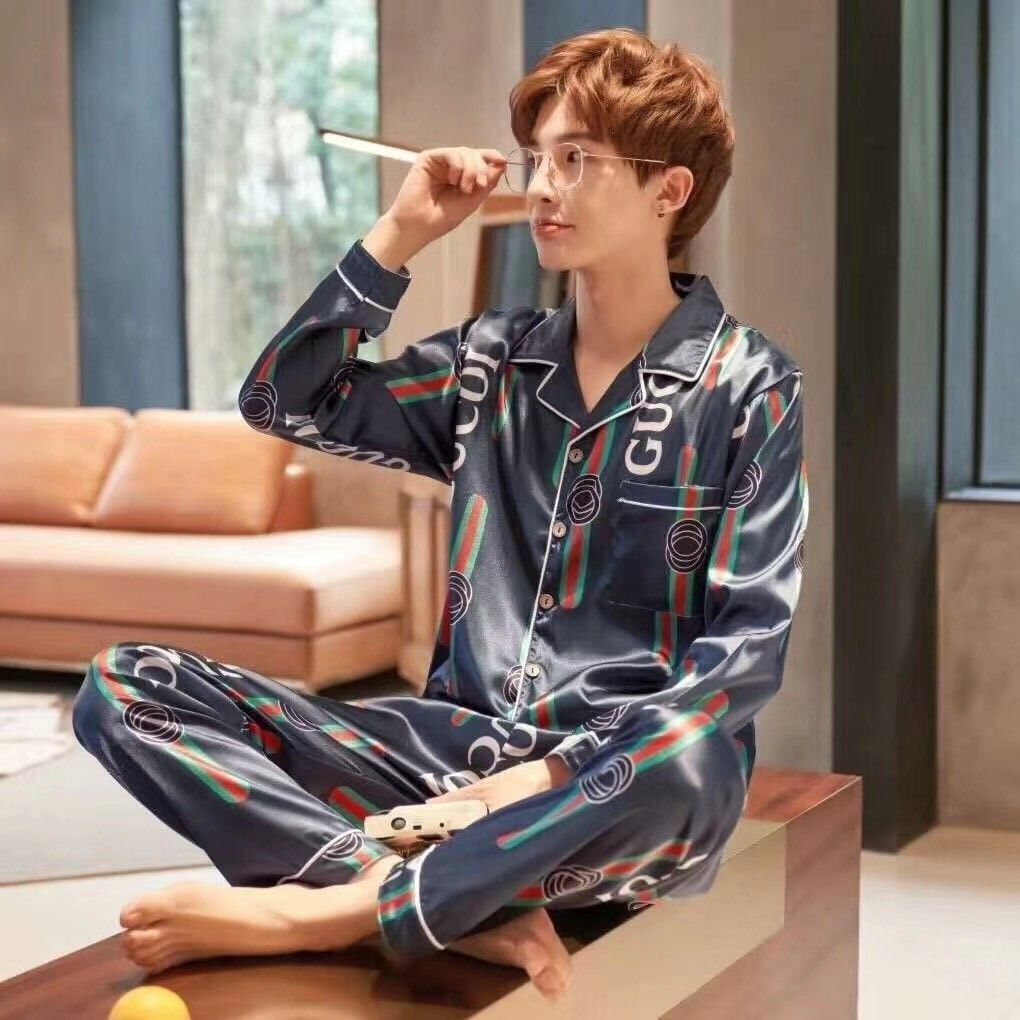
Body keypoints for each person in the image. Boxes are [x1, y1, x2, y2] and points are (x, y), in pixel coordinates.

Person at [72, 27, 808, 1002]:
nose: (542, 188)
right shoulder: (487, 364)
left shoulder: (749, 386)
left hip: (608, 788)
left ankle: (325, 911)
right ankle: (440, 902)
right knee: (124, 687)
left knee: (697, 758)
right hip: (442, 767)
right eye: (538, 159)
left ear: (668, 191)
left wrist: (548, 777)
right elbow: (284, 400)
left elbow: (747, 650)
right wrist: (403, 230)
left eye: (576, 160)